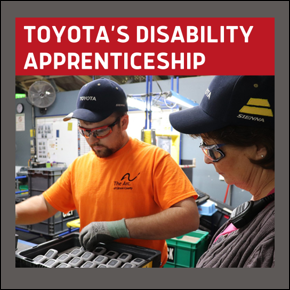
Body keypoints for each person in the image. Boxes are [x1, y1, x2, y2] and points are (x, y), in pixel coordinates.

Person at [15, 78, 200, 267]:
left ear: (124, 122)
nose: (92, 140)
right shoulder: (80, 166)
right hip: (92, 263)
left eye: (100, 131)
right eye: (85, 131)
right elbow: (46, 205)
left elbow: (188, 217)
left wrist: (119, 228)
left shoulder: (154, 160)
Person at [169, 75, 275, 267]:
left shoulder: (273, 243)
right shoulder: (260, 203)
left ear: (259, 148)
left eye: (213, 150)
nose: (206, 160)